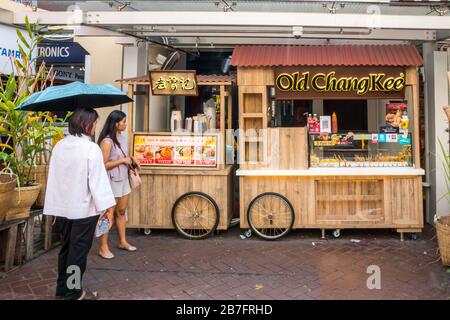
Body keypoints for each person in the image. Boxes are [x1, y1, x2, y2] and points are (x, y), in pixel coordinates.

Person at [44, 107, 116, 300]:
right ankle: (74, 292)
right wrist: (108, 208)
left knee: (66, 248)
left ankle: (63, 288)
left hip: (61, 207)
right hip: (83, 210)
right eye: (94, 123)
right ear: (87, 124)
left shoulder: (60, 145)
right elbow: (98, 182)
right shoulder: (91, 148)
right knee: (78, 253)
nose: (95, 127)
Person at [97, 110, 137, 259]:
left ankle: (122, 241)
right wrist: (122, 161)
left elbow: (123, 156)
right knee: (108, 214)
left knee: (121, 211)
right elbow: (103, 164)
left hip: (123, 180)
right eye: (123, 121)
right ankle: (103, 247)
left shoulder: (121, 138)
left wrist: (131, 159)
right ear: (115, 123)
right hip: (111, 181)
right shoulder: (107, 141)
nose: (125, 124)